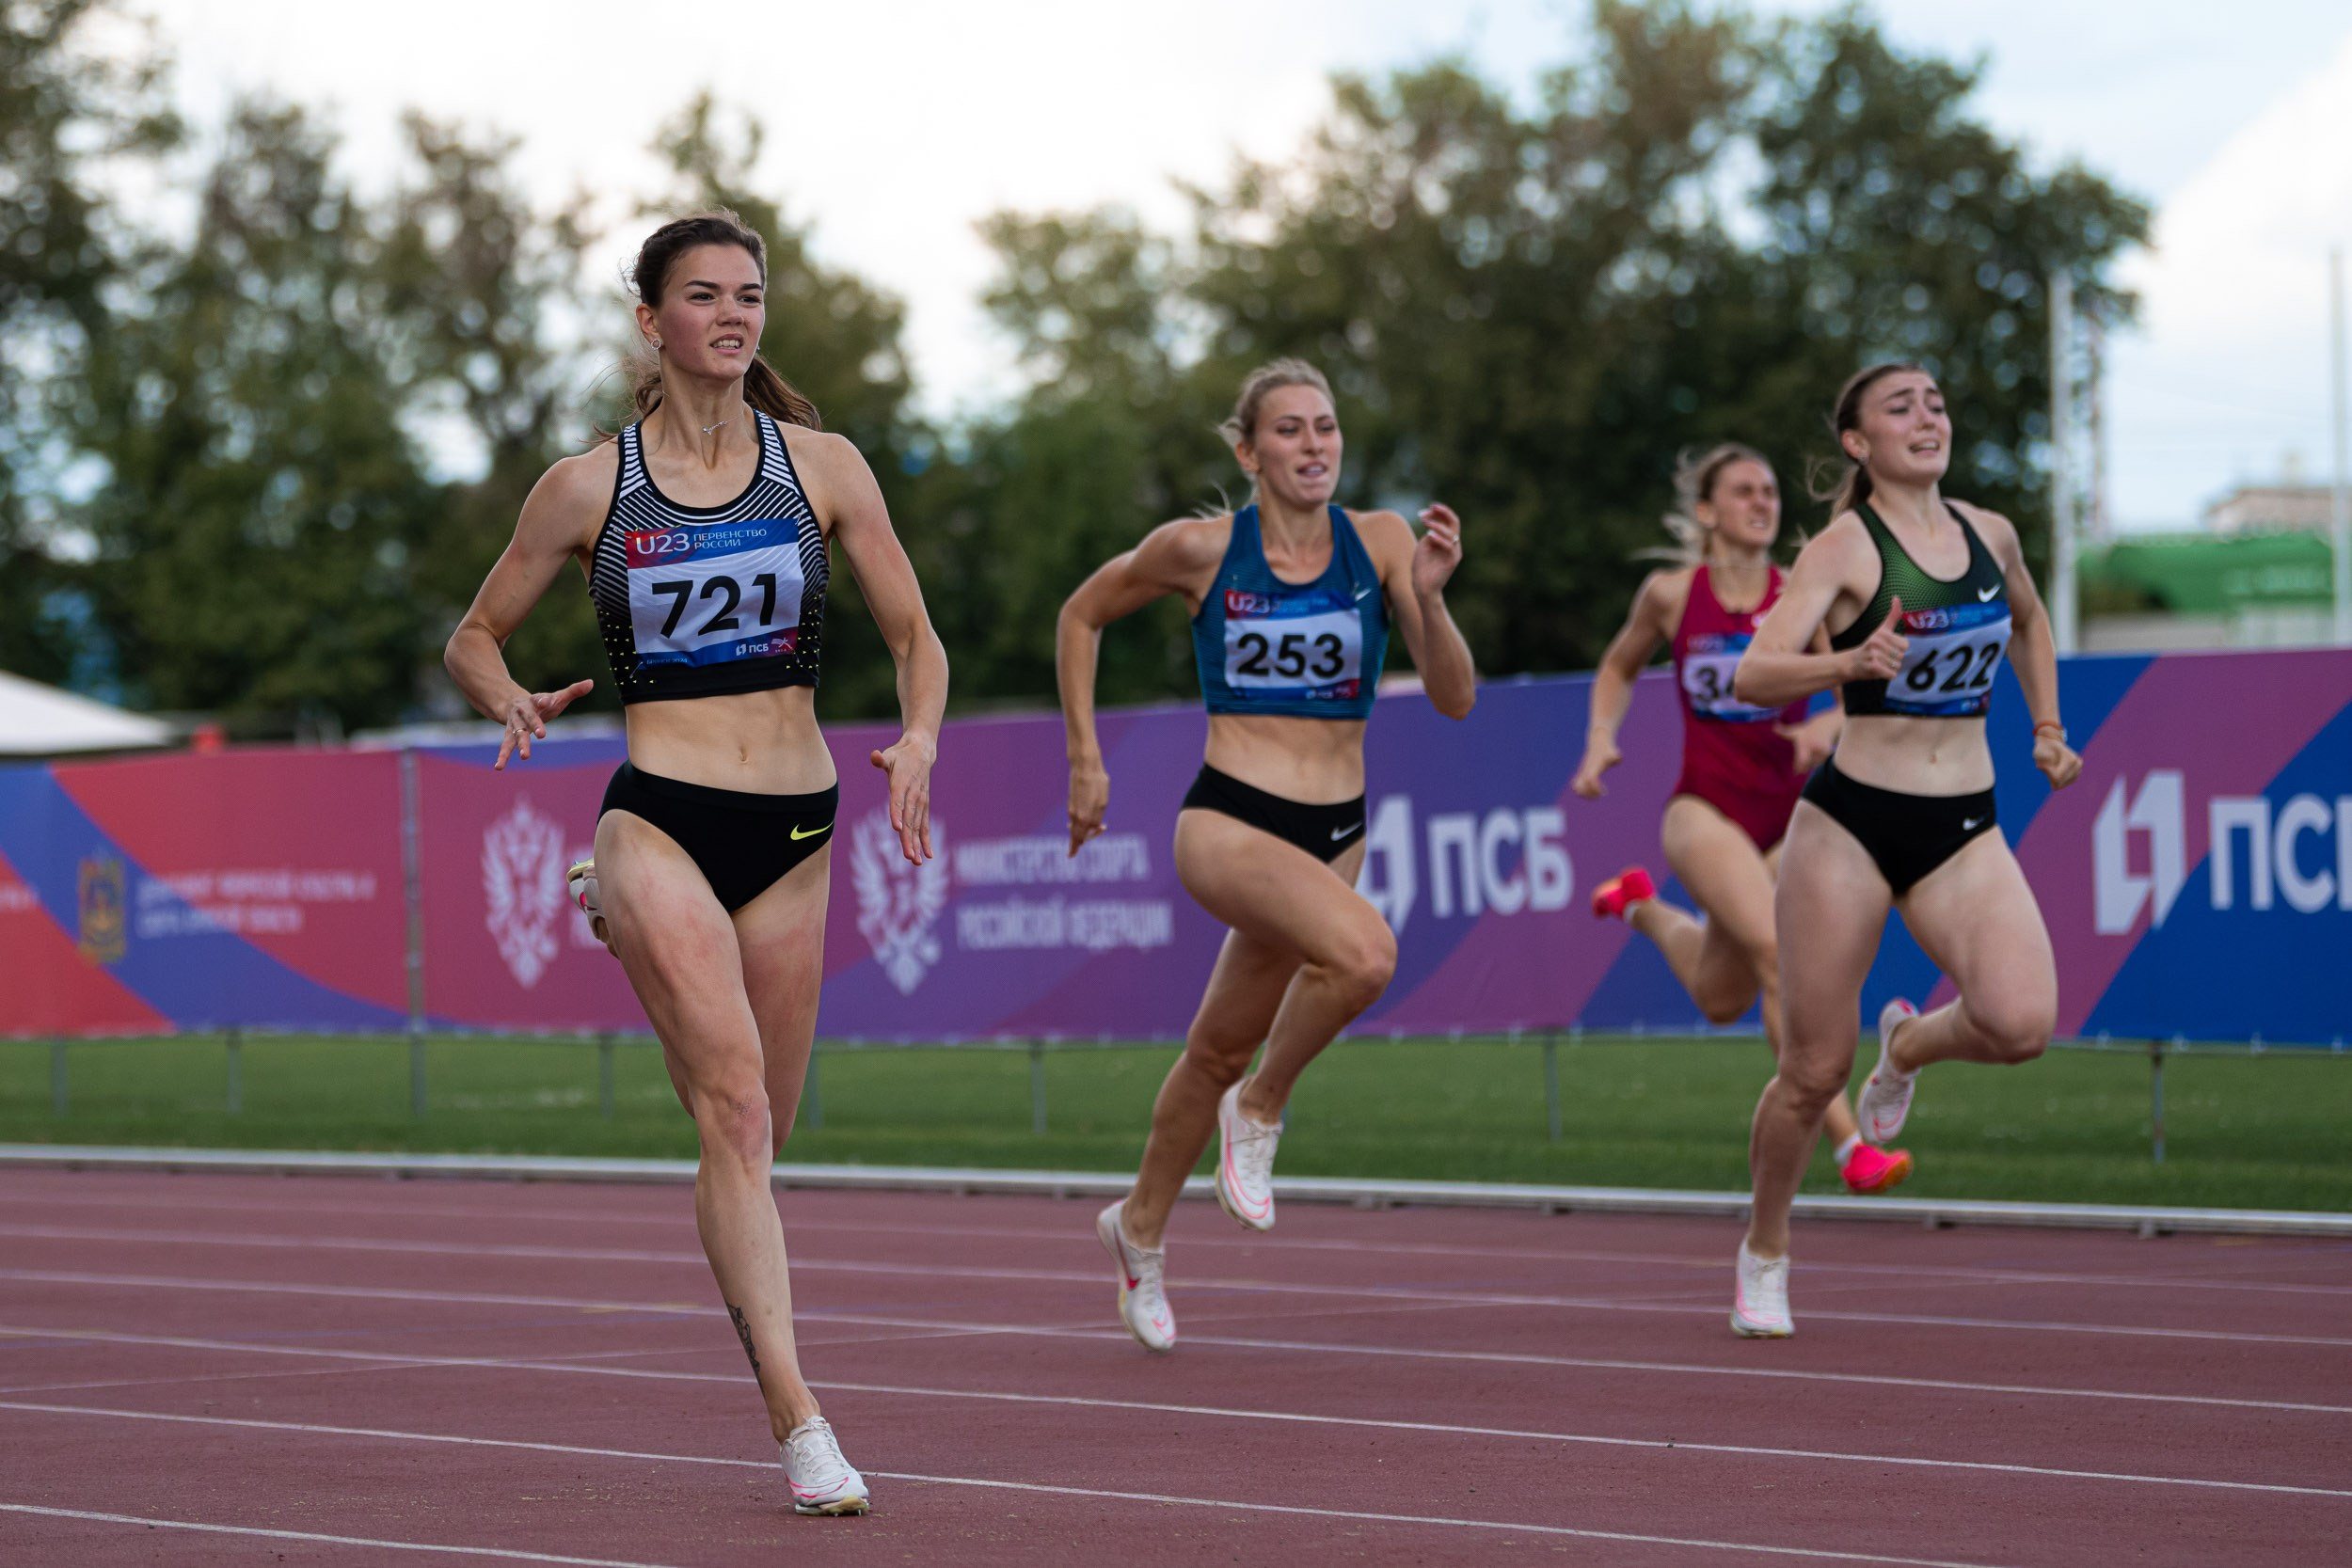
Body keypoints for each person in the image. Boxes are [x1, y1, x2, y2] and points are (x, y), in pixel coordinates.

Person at [444, 210, 946, 1513]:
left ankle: (616, 909)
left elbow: (916, 635)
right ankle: (801, 1417)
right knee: (728, 1109)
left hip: (794, 831)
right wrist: (504, 693)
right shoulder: (589, 487)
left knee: (766, 1126)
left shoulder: (824, 468)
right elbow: (474, 634)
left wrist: (924, 738)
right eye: (704, 295)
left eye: (749, 294)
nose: (732, 314)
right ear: (650, 319)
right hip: (660, 806)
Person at [1059, 358, 1477, 1352]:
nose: (1314, 445)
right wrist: (1085, 758)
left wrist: (1431, 596)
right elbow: (1080, 613)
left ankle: (1139, 1229)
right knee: (1365, 957)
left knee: (1212, 1046)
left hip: (1337, 835)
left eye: (1326, 427)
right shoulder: (1202, 550)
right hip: (1230, 820)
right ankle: (1264, 1104)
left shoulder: (1377, 542)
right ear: (1248, 451)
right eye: (1289, 430)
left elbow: (1456, 696)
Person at [1725, 362, 2082, 1338]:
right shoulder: (1843, 547)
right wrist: (1845, 661)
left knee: (2020, 1022)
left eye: (1934, 403)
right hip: (1849, 824)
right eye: (1900, 407)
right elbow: (1753, 671)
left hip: (1962, 823)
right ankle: (1764, 1247)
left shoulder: (1989, 532)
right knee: (1809, 1067)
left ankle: (1910, 1042)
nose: (1926, 418)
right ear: (1856, 441)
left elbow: (2030, 619)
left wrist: (2045, 725)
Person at [1573, 444, 1913, 1196]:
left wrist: (1826, 725)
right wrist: (1602, 737)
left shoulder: (1802, 594)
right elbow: (1619, 666)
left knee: (1719, 996)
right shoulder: (1670, 593)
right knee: (1774, 947)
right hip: (1703, 809)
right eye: (1744, 491)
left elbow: (1851, 686)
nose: (1763, 502)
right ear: (1707, 511)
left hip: (1788, 817)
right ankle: (1851, 1142)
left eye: (1769, 490)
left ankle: (1638, 905)